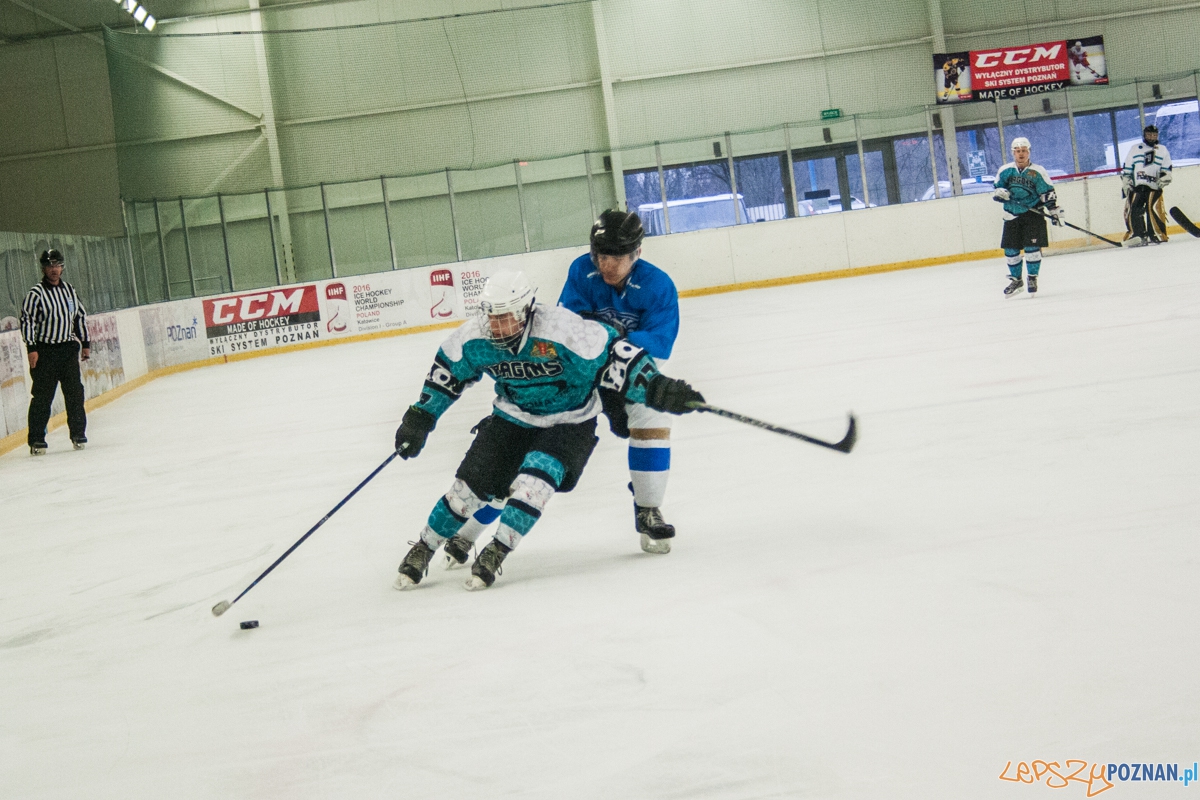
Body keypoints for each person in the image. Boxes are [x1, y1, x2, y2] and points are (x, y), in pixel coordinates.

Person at [391, 268, 704, 591]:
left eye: (505, 316)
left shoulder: (564, 331)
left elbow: (619, 358)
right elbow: (447, 376)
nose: (495, 326)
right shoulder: (475, 338)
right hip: (511, 419)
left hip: (569, 422)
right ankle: (423, 547)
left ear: (526, 311)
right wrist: (420, 418)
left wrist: (659, 388)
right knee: (465, 493)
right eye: (490, 316)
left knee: (533, 487)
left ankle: (497, 550)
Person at [444, 210, 683, 561]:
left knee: (651, 413)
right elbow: (566, 330)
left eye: (615, 257)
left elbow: (658, 346)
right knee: (519, 448)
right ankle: (465, 534)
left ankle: (647, 509)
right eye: (600, 256)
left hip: (620, 373)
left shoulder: (659, 286)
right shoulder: (580, 271)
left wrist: (616, 384)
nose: (606, 265)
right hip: (577, 376)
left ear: (637, 253)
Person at [20, 249, 90, 455]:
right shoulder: (36, 294)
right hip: (45, 352)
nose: (54, 269)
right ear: (43, 268)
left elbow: (79, 316)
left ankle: (78, 433)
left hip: (67, 350)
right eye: (50, 266)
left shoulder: (69, 290)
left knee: (75, 394)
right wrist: (31, 348)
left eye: (57, 265)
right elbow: (27, 320)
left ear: (62, 267)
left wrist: (85, 343)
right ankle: (36, 439)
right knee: (42, 397)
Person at [992, 137, 1062, 297]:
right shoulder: (1005, 171)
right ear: (1013, 153)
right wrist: (999, 194)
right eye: (1018, 151)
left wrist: (1053, 210)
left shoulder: (1038, 171)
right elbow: (997, 188)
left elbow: (1047, 192)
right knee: (1010, 250)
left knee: (1032, 248)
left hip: (1033, 214)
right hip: (1011, 215)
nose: (1021, 154)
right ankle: (1017, 280)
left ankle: (1032, 278)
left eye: (1024, 151)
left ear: (1028, 152)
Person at [1122, 124, 1172, 247]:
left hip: (1154, 186)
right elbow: (1128, 167)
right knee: (1134, 211)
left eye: (1154, 135)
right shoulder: (1135, 148)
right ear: (1144, 135)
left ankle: (1157, 234)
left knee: (1153, 209)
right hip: (1137, 186)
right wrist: (1126, 180)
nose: (1151, 137)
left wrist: (1166, 177)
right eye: (1149, 134)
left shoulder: (1162, 149)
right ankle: (1138, 235)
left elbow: (1167, 168)